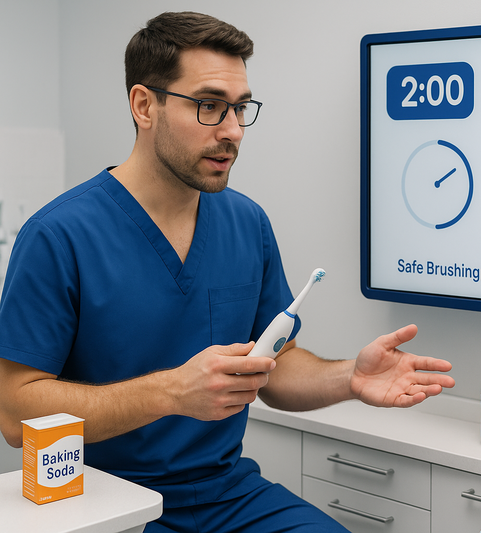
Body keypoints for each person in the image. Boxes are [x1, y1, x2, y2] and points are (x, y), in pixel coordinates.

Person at [0, 11, 454, 533]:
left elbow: (274, 365)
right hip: (108, 501)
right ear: (144, 106)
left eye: (240, 108)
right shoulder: (58, 235)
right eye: (210, 106)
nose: (233, 131)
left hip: (228, 495)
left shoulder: (247, 222)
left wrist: (349, 377)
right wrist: (172, 392)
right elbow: (14, 413)